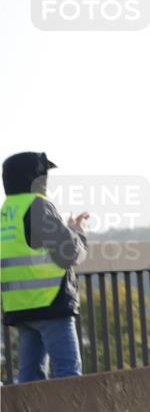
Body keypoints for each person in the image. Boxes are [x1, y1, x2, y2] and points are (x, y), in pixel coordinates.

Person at [1, 152, 88, 382]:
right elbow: (69, 253)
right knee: (69, 375)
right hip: (50, 304)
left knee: (30, 379)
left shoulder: (7, 211)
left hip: (21, 307)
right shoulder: (37, 205)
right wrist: (78, 233)